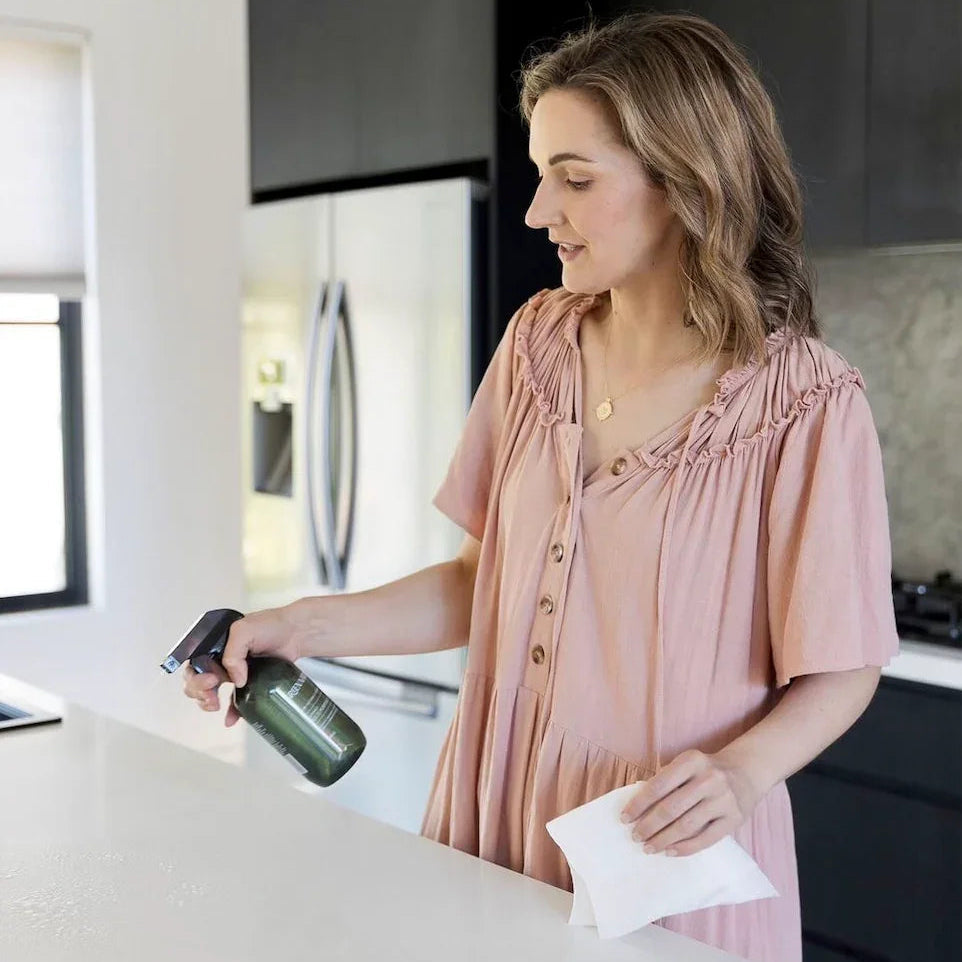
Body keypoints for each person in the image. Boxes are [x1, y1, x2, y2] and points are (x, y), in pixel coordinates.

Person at [185, 12, 900, 962]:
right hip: (494, 803)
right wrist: (298, 626)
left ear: (685, 183)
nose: (536, 212)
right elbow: (482, 583)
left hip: (661, 842)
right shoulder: (539, 342)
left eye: (574, 179)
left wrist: (741, 773)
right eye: (539, 174)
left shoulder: (802, 401)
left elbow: (844, 662)